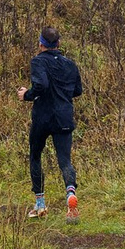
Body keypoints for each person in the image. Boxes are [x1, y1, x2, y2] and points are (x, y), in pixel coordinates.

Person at [20, 25, 82, 218]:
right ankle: (71, 194)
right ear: (59, 44)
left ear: (41, 44)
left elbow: (41, 85)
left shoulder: (38, 62)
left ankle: (40, 204)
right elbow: (77, 91)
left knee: (35, 156)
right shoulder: (70, 64)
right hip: (64, 116)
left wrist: (26, 95)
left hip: (43, 117)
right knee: (65, 160)